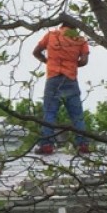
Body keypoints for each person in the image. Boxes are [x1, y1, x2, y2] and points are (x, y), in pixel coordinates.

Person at [32, 16, 90, 154]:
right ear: (75, 28)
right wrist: (71, 63)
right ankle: (82, 144)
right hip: (70, 79)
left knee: (49, 113)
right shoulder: (80, 40)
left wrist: (48, 62)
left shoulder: (52, 35)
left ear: (62, 24)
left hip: (53, 78)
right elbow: (84, 60)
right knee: (77, 115)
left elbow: (36, 52)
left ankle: (46, 145)